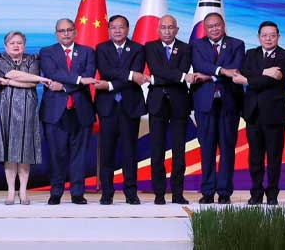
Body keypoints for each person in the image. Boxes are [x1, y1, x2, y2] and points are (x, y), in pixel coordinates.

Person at [233, 21, 285, 205]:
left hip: (275, 114)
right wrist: (264, 71)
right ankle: (256, 193)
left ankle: (272, 194)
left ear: (278, 36)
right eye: (264, 35)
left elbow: (271, 81)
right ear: (259, 36)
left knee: (274, 157)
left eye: (272, 35)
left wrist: (247, 79)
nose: (268, 38)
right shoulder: (250, 54)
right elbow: (241, 74)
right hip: (253, 113)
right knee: (255, 157)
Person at [38, 19, 97, 205]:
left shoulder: (87, 52)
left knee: (79, 154)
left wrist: (63, 87)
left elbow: (89, 75)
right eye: (61, 31)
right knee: (57, 154)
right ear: (56, 33)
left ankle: (77, 192)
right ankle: (56, 191)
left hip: (81, 110)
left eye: (69, 30)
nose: (66, 34)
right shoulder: (47, 52)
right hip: (55, 111)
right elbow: (52, 73)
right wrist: (78, 81)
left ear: (76, 32)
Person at [190, 12, 244, 204]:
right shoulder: (197, 45)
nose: (214, 28)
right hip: (205, 104)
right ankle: (207, 191)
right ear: (205, 29)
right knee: (207, 149)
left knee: (227, 149)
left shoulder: (237, 44)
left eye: (217, 25)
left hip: (229, 103)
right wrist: (221, 71)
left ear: (223, 26)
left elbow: (235, 68)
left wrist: (209, 75)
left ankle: (224, 192)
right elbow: (199, 64)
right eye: (210, 26)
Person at [94, 15, 147, 205]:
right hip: (107, 107)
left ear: (128, 29)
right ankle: (107, 193)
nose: (117, 31)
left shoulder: (138, 49)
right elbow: (106, 70)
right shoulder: (101, 48)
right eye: (113, 27)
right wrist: (131, 74)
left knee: (130, 152)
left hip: (130, 106)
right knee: (106, 152)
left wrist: (109, 85)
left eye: (121, 27)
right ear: (108, 30)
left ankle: (131, 193)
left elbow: (135, 71)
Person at [144, 15, 193, 205]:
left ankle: (178, 193)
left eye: (170, 27)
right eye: (163, 27)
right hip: (157, 102)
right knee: (157, 151)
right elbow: (157, 69)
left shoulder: (186, 48)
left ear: (177, 30)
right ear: (158, 29)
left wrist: (158, 78)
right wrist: (181, 76)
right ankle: (159, 193)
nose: (167, 31)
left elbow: (165, 72)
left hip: (180, 102)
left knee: (179, 151)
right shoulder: (150, 47)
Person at [0, 31, 42, 205]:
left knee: (24, 149)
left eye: (19, 43)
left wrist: (29, 80)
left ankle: (23, 191)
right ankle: (11, 191)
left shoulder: (32, 59)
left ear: (24, 45)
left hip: (28, 108)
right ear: (6, 46)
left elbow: (31, 83)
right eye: (12, 43)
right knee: (9, 150)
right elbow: (11, 75)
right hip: (7, 108)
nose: (16, 45)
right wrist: (37, 78)